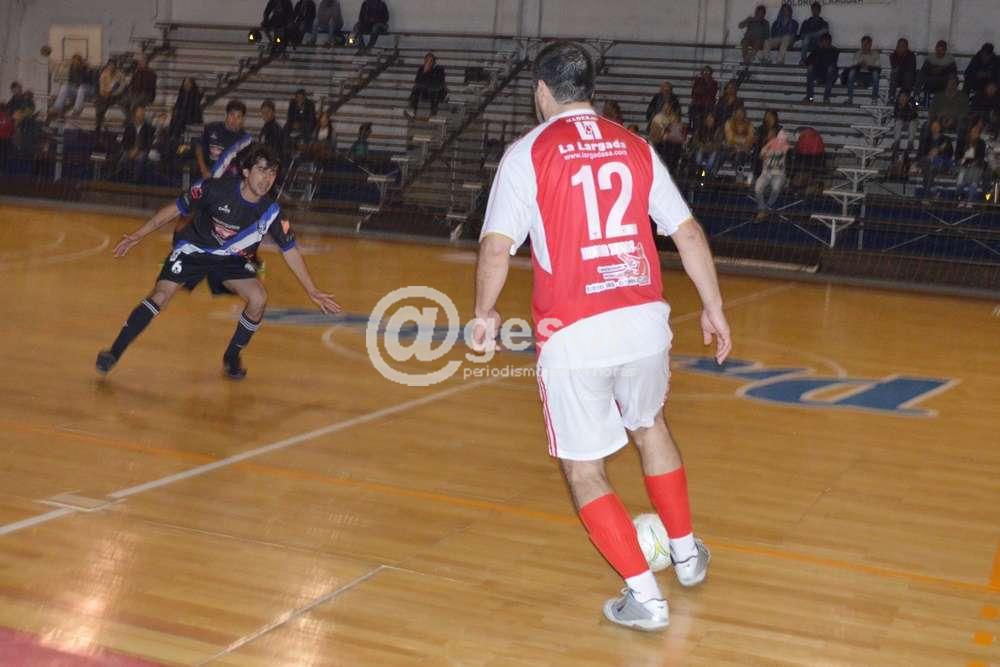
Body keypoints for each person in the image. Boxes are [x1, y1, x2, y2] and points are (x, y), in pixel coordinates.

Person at [472, 40, 730, 632]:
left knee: (585, 469)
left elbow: (495, 248)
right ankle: (686, 556)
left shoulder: (528, 153)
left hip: (575, 333)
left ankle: (646, 597)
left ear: (542, 90)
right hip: (644, 323)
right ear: (589, 88)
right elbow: (688, 233)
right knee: (650, 426)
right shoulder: (636, 146)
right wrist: (713, 308)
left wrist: (484, 313)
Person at [95, 144, 341, 379]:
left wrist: (312, 290)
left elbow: (290, 250)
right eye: (261, 170)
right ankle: (114, 352)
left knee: (258, 299)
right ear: (246, 172)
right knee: (160, 295)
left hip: (233, 259)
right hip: (194, 249)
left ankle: (232, 357)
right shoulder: (214, 189)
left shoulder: (272, 212)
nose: (267, 179)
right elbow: (175, 209)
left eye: (272, 173)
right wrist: (138, 235)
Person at [196, 99, 253, 180]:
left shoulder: (245, 140)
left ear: (243, 119)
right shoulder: (212, 128)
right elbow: (199, 147)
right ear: (226, 114)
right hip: (208, 176)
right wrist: (203, 169)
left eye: (238, 117)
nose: (234, 120)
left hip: (231, 180)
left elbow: (246, 164)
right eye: (232, 115)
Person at [754, 128, 790, 221]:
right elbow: (761, 156)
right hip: (766, 173)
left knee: (776, 188)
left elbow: (784, 149)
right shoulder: (765, 147)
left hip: (779, 174)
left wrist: (776, 145)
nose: (771, 136)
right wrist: (768, 148)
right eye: (769, 134)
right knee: (757, 188)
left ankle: (766, 208)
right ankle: (762, 208)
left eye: (773, 134)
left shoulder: (784, 145)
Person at [47, 54, 91, 121]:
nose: (75, 63)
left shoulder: (84, 69)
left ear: (80, 62)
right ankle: (57, 108)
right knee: (65, 87)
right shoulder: (71, 69)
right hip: (75, 89)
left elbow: (83, 82)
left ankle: (76, 111)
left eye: (77, 61)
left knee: (80, 89)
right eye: (74, 62)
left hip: (83, 90)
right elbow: (69, 81)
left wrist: (84, 69)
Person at [117, 103, 155, 182]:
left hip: (142, 150)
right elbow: (125, 141)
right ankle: (121, 182)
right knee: (122, 161)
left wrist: (137, 150)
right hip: (130, 150)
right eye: (140, 112)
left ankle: (135, 182)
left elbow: (148, 143)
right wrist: (129, 151)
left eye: (143, 112)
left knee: (140, 160)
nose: (142, 114)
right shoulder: (129, 127)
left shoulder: (149, 128)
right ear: (135, 115)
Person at [917, 118, 954, 198]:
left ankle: (930, 193)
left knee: (927, 170)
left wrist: (938, 151)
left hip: (941, 163)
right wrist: (930, 154)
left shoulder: (946, 139)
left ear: (940, 127)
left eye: (936, 126)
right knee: (928, 168)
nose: (935, 128)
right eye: (933, 126)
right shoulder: (927, 139)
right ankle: (932, 192)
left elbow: (950, 154)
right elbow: (921, 152)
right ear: (931, 128)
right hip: (928, 163)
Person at [917, 40, 957, 107]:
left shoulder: (950, 58)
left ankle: (948, 103)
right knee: (921, 75)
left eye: (941, 50)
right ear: (935, 49)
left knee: (952, 79)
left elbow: (953, 71)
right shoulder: (930, 57)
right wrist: (933, 70)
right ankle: (917, 97)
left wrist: (942, 70)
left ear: (945, 50)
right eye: (938, 50)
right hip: (931, 79)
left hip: (944, 80)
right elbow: (924, 69)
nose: (939, 52)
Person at [406, 52, 448, 118]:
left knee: (433, 89)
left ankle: (433, 111)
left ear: (434, 62)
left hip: (437, 91)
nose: (428, 63)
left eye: (430, 61)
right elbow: (417, 81)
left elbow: (438, 82)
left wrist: (428, 74)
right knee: (416, 88)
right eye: (426, 61)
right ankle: (412, 109)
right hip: (425, 90)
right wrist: (424, 72)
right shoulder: (422, 68)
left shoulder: (439, 69)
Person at [955, 122, 987, 203]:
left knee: (975, 175)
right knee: (961, 176)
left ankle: (969, 200)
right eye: (973, 130)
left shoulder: (981, 143)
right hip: (963, 164)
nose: (975, 132)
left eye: (977, 131)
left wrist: (973, 163)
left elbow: (981, 156)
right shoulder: (962, 141)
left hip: (976, 165)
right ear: (970, 131)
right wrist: (963, 160)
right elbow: (957, 155)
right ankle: (960, 198)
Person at [94, 60, 127, 135]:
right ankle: (98, 124)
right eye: (110, 65)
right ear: (107, 66)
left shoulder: (119, 74)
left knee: (122, 100)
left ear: (115, 66)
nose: (111, 67)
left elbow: (122, 86)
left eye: (113, 65)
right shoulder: (104, 74)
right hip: (106, 94)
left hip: (116, 95)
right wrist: (105, 93)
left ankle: (100, 122)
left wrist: (114, 93)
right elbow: (101, 87)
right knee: (99, 103)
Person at [167, 77, 203, 145]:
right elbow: (178, 103)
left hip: (190, 114)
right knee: (175, 118)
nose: (186, 85)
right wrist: (175, 110)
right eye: (185, 83)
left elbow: (195, 107)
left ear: (191, 84)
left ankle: (175, 136)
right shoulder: (182, 92)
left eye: (188, 83)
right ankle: (171, 136)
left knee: (180, 119)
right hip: (181, 112)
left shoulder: (195, 93)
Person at [804, 33, 839, 103]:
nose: (824, 43)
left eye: (826, 41)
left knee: (830, 69)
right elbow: (808, 61)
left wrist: (820, 51)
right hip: (819, 73)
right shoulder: (818, 49)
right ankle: (810, 98)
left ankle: (826, 98)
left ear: (829, 42)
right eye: (823, 41)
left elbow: (829, 62)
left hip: (830, 75)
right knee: (810, 69)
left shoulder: (834, 50)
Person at [846, 36, 881, 104]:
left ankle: (874, 99)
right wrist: (860, 65)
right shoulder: (857, 53)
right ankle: (850, 98)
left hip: (870, 76)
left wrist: (868, 67)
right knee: (851, 72)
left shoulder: (875, 54)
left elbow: (878, 68)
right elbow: (853, 66)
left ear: (870, 44)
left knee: (876, 74)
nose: (864, 46)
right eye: (863, 44)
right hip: (859, 75)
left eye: (866, 44)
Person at [690, 111, 724, 176]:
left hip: (713, 149)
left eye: (711, 118)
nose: (709, 120)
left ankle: (705, 174)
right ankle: (700, 172)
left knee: (712, 158)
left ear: (714, 120)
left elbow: (719, 143)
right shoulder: (700, 128)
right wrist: (703, 146)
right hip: (702, 148)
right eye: (708, 118)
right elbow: (695, 141)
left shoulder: (718, 130)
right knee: (698, 158)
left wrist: (709, 147)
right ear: (705, 120)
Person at [724, 104, 754, 174]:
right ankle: (739, 174)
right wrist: (742, 141)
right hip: (731, 150)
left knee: (740, 155)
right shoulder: (729, 123)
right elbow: (729, 138)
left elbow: (750, 139)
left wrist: (740, 144)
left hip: (744, 150)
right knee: (737, 155)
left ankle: (738, 174)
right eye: (737, 113)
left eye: (741, 113)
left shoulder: (749, 124)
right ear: (734, 114)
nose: (739, 115)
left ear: (744, 114)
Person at [891, 89, 919, 159]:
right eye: (901, 96)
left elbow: (915, 111)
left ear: (907, 97)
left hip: (912, 119)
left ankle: (910, 144)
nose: (902, 98)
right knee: (898, 122)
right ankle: (896, 143)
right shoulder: (897, 103)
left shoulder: (913, 101)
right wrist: (902, 108)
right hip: (902, 119)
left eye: (904, 96)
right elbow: (896, 114)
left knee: (913, 124)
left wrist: (907, 106)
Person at [689, 66, 718, 131]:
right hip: (698, 105)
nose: (706, 73)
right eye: (704, 71)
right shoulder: (697, 81)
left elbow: (712, 94)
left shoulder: (714, 83)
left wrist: (701, 90)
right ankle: (694, 130)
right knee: (693, 111)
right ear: (702, 73)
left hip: (709, 105)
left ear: (711, 73)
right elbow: (694, 93)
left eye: (708, 71)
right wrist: (699, 88)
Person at [888, 38, 917, 102]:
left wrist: (900, 67)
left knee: (908, 74)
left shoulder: (911, 55)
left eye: (902, 46)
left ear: (906, 47)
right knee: (894, 72)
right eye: (898, 46)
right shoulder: (893, 55)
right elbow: (894, 66)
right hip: (898, 77)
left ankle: (905, 97)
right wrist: (899, 56)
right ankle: (891, 97)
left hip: (908, 78)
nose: (900, 48)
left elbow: (911, 68)